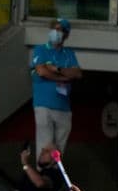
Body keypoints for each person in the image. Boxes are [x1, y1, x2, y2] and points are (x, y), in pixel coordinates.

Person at [30, 18, 82, 155]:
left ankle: (54, 175)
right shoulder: (40, 49)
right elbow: (41, 71)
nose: (55, 32)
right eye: (54, 28)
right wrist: (65, 77)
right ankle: (43, 174)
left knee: (58, 152)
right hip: (43, 105)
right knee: (45, 147)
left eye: (59, 29)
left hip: (63, 107)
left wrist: (57, 69)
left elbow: (77, 73)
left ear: (66, 34)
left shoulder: (69, 53)